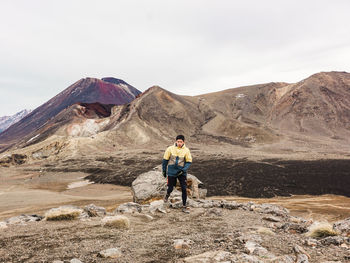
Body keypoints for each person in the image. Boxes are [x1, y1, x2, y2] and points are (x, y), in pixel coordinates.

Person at [162, 135, 192, 213]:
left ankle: (184, 206)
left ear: (183, 142)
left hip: (182, 172)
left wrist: (183, 170)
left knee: (184, 189)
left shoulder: (186, 150)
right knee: (170, 188)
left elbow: (189, 162)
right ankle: (167, 195)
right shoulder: (170, 149)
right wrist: (164, 170)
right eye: (178, 141)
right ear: (176, 141)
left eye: (181, 142)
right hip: (172, 172)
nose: (179, 143)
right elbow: (165, 160)